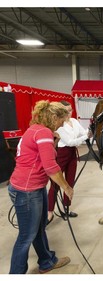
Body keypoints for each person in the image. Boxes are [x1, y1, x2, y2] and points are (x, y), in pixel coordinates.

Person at [8, 100, 74, 274]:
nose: (62, 125)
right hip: (27, 190)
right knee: (26, 236)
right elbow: (51, 167)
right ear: (53, 117)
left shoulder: (36, 130)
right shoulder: (43, 132)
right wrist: (66, 187)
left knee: (38, 227)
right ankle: (15, 274)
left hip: (32, 187)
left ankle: (46, 261)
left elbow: (42, 157)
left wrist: (53, 143)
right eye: (61, 120)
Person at [47, 100, 91, 223]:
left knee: (70, 182)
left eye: (70, 110)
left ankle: (66, 208)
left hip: (72, 154)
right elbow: (71, 141)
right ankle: (49, 212)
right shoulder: (59, 126)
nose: (69, 113)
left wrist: (90, 131)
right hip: (61, 154)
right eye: (66, 111)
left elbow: (84, 133)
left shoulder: (75, 122)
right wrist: (87, 136)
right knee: (55, 184)